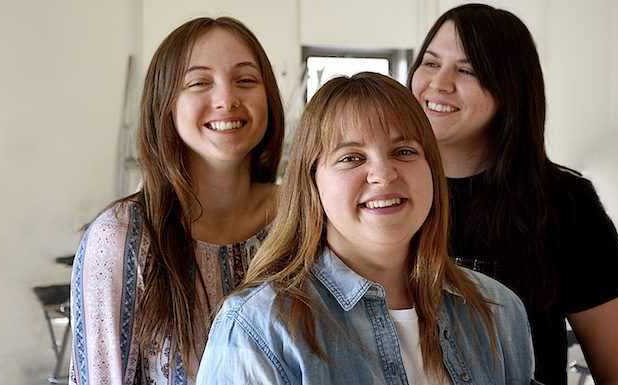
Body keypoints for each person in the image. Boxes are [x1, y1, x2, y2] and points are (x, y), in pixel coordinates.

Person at [195, 72, 538, 385]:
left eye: (404, 151)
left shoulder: (497, 310)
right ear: (311, 183)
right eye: (351, 158)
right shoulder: (259, 325)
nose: (384, 175)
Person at [408, 3, 618, 385]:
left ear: (510, 90)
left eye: (466, 70)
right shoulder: (384, 193)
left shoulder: (565, 205)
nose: (439, 83)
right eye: (431, 63)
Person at [68, 16, 284, 385]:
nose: (226, 99)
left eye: (245, 80)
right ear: (164, 104)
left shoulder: (304, 217)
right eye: (199, 82)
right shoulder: (122, 238)